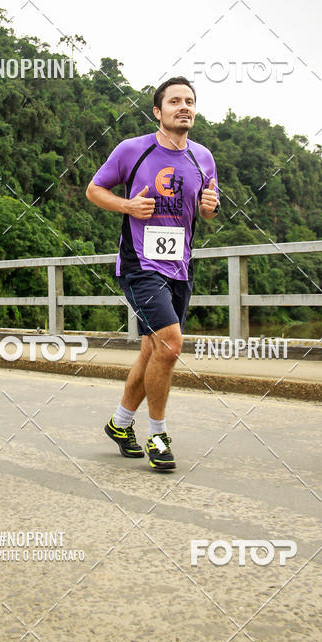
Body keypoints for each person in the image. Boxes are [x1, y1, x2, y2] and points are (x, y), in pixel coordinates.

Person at [86, 77, 220, 472]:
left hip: (180, 266)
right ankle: (158, 434)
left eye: (189, 101)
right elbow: (94, 190)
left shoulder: (203, 157)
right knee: (171, 344)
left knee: (153, 349)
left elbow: (207, 212)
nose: (184, 107)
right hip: (140, 265)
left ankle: (120, 423)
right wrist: (127, 206)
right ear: (158, 112)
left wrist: (210, 207)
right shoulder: (133, 149)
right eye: (175, 101)